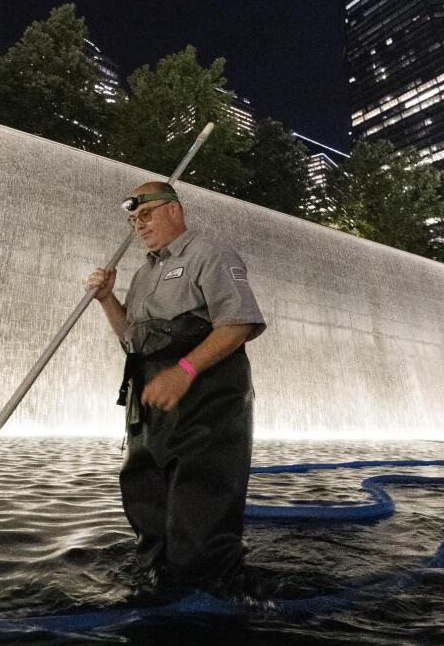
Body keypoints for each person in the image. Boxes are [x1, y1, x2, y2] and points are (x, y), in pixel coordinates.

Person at [85, 181, 265, 592]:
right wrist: (108, 300)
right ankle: (159, 589)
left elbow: (239, 323)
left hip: (207, 406)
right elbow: (132, 340)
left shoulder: (210, 254)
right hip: (152, 405)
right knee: (149, 508)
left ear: (174, 210)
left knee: (200, 516)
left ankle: (215, 606)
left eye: (146, 214)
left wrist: (184, 369)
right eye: (133, 220)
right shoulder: (144, 273)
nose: (139, 225)